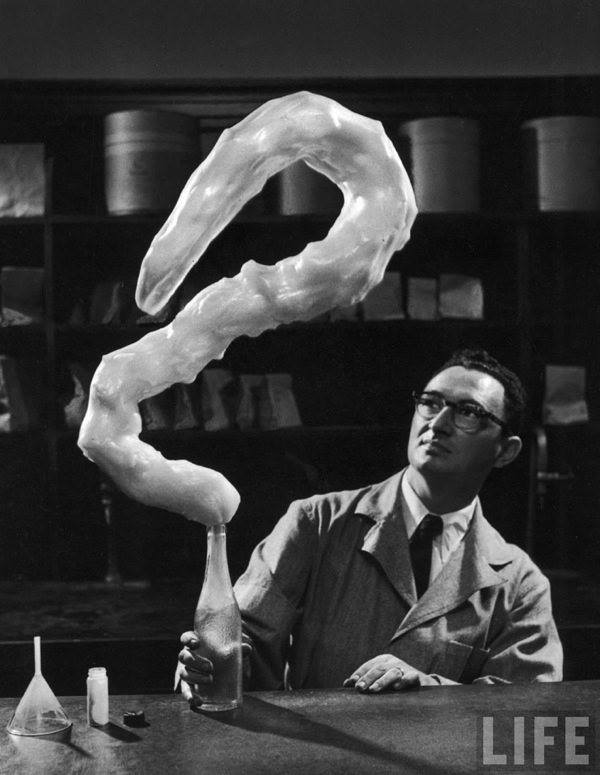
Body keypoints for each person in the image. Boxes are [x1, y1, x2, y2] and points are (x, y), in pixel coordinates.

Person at [178, 348, 563, 698]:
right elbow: (244, 639)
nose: (439, 422)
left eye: (469, 413)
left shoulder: (520, 585)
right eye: (430, 403)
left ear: (505, 451)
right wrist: (210, 666)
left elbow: (525, 709)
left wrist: (429, 691)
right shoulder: (317, 523)